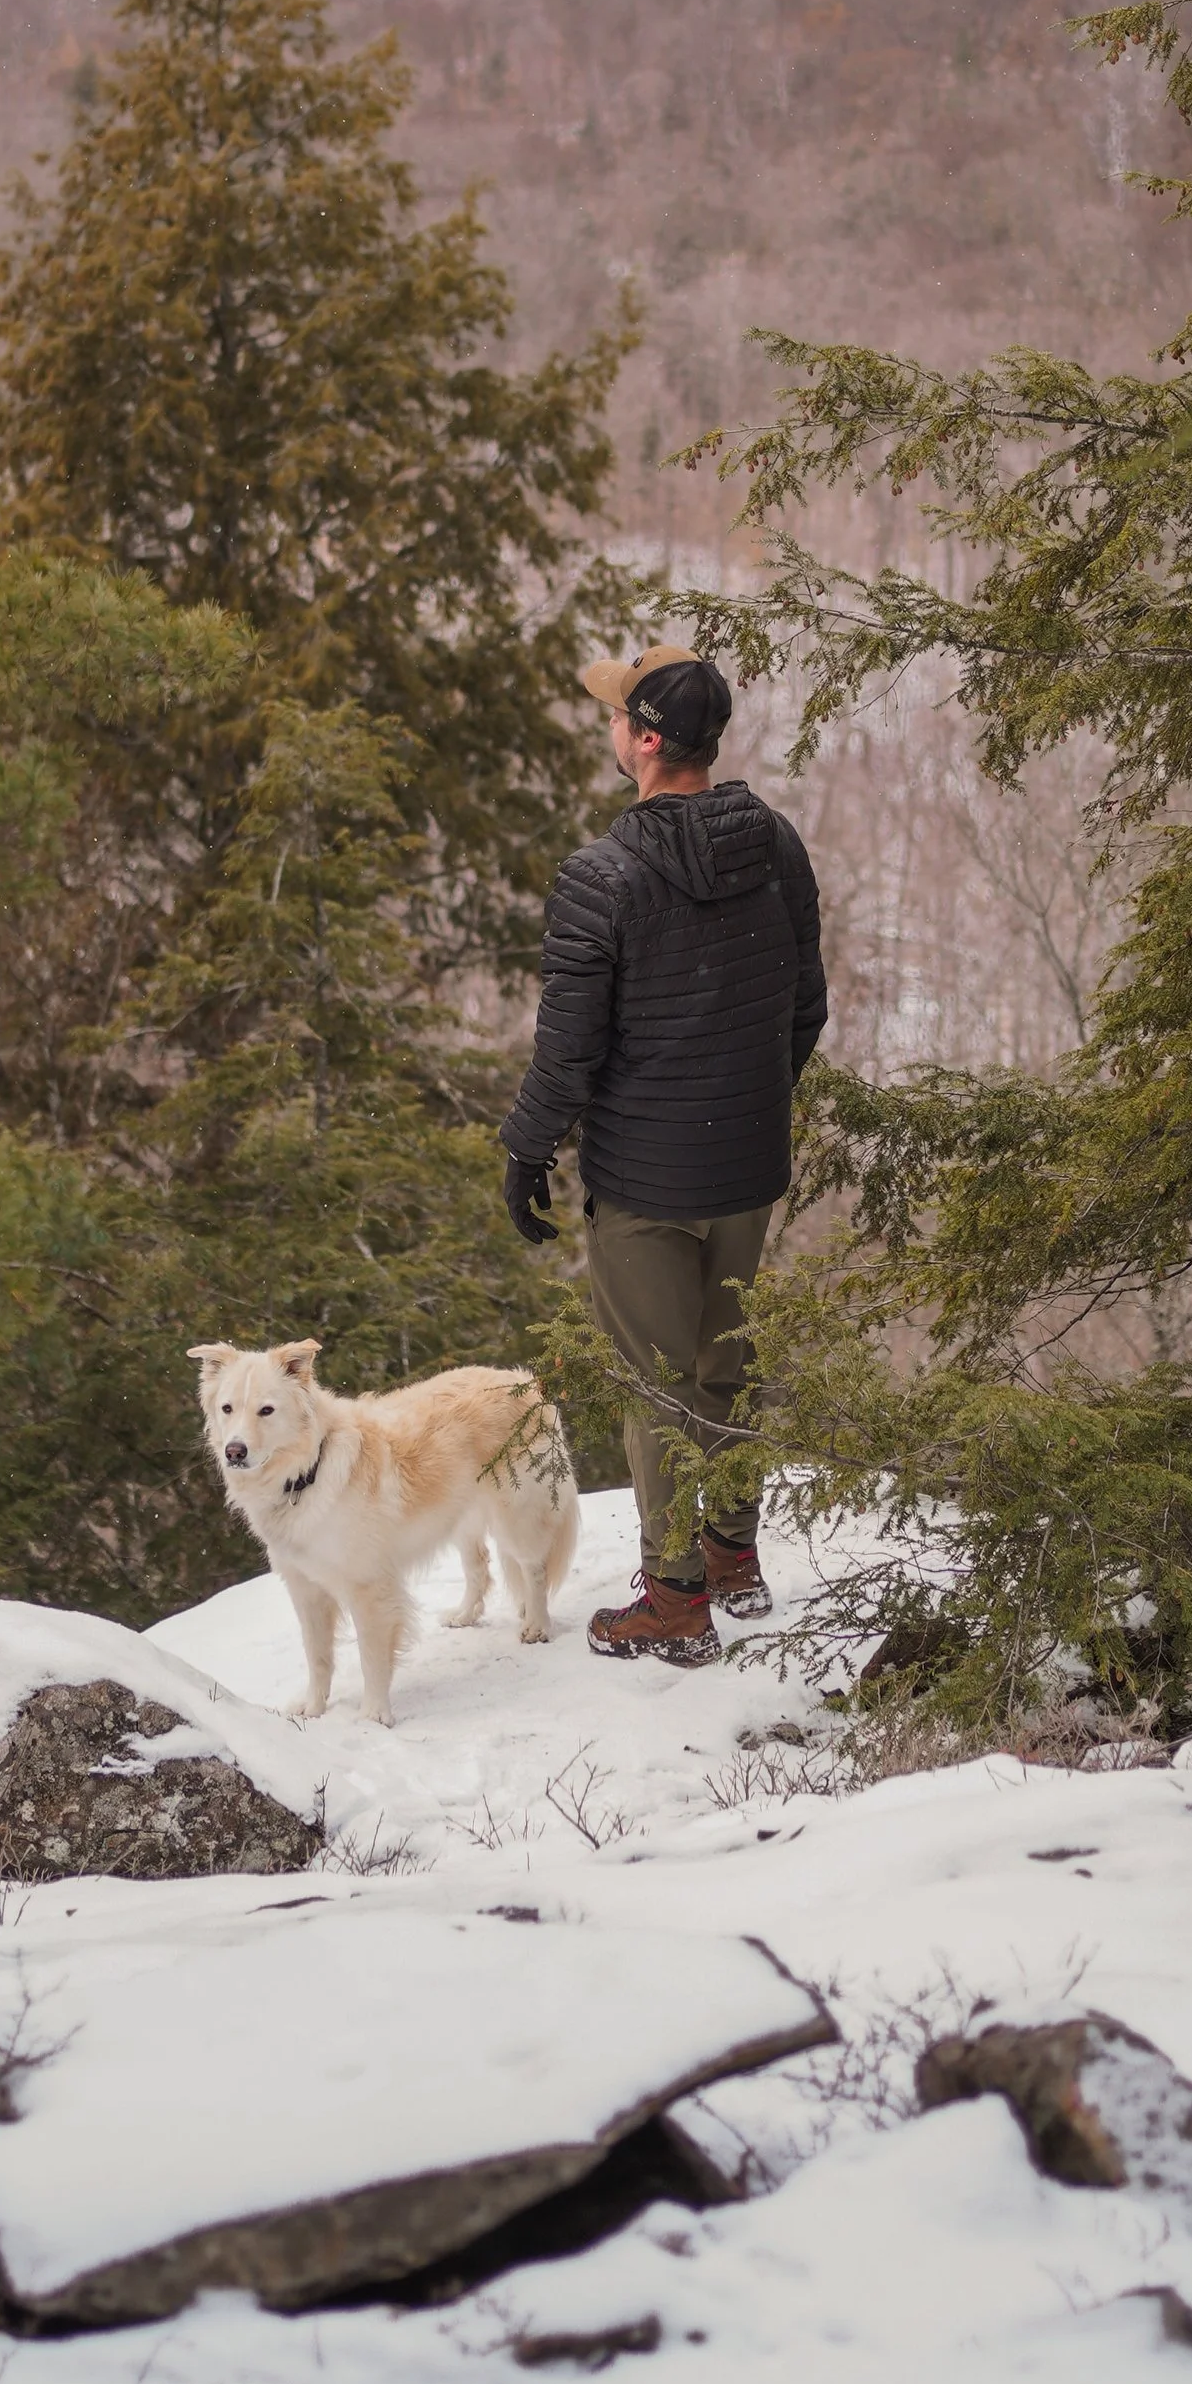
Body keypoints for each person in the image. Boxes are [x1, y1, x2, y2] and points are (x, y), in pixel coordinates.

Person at [499, 643, 826, 1663]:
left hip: (644, 1177)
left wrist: (525, 1152)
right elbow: (803, 1008)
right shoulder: (772, 844)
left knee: (657, 1384)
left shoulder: (602, 876)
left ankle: (675, 1601)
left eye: (613, 718)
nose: (607, 730)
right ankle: (732, 1557)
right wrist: (747, 1099)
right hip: (745, 1167)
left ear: (645, 740)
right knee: (726, 1364)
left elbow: (569, 1048)